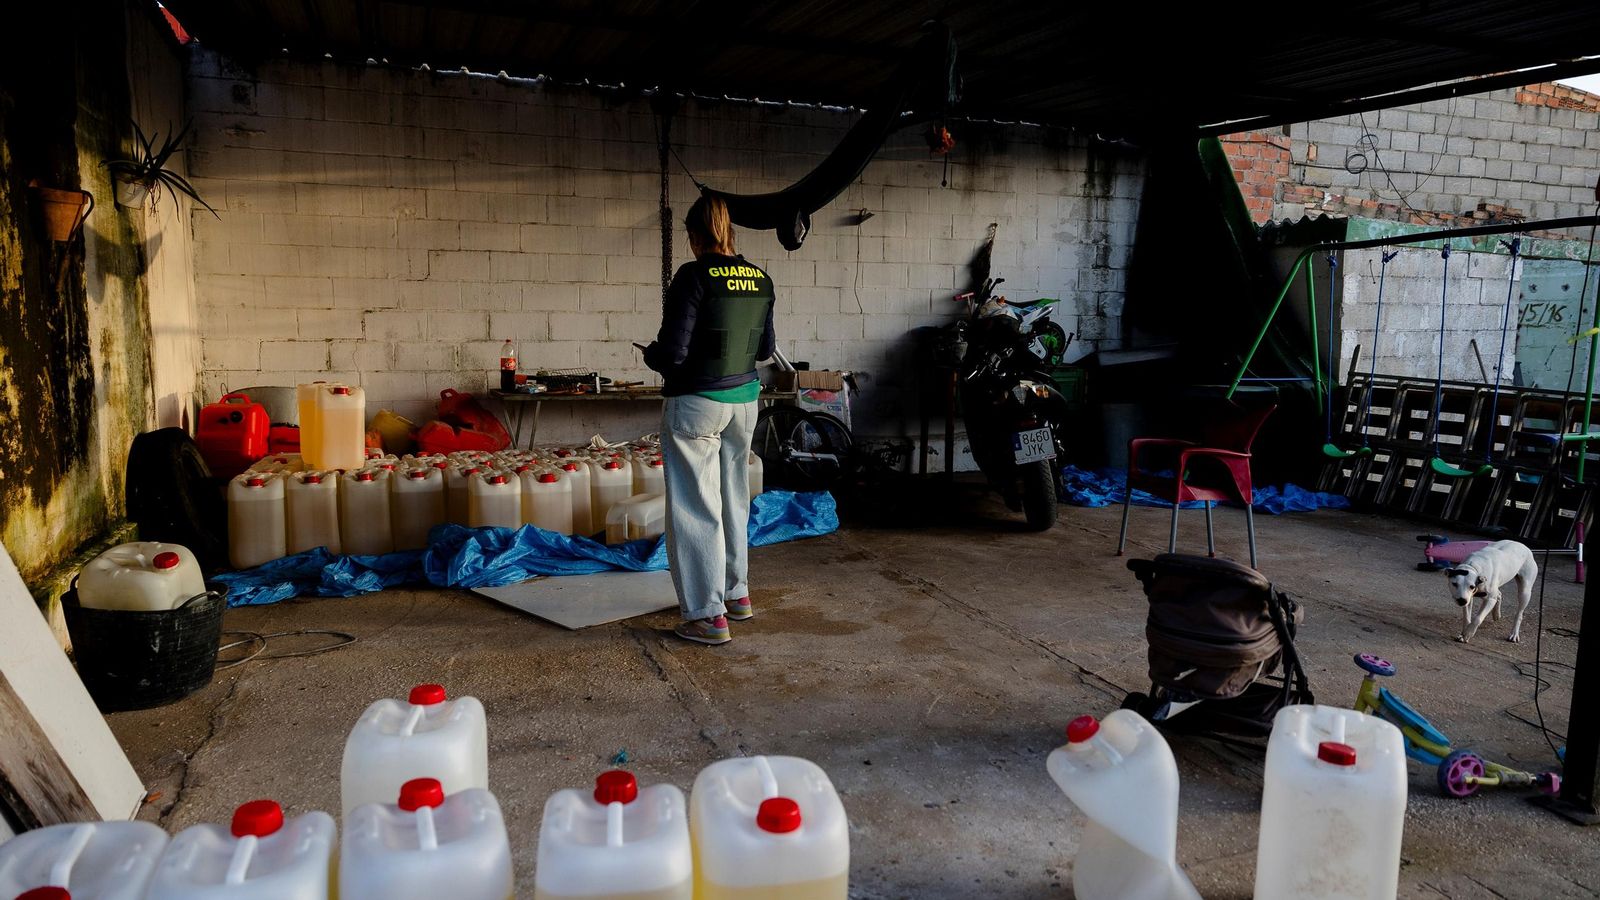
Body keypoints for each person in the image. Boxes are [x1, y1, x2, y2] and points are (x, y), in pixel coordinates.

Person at [642, 194, 776, 645]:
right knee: (733, 498)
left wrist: (652, 356)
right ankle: (737, 595)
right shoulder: (759, 277)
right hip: (745, 401)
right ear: (730, 232)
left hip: (698, 403)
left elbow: (673, 353)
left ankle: (706, 615)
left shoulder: (693, 275)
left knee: (695, 507)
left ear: (694, 235)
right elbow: (763, 349)